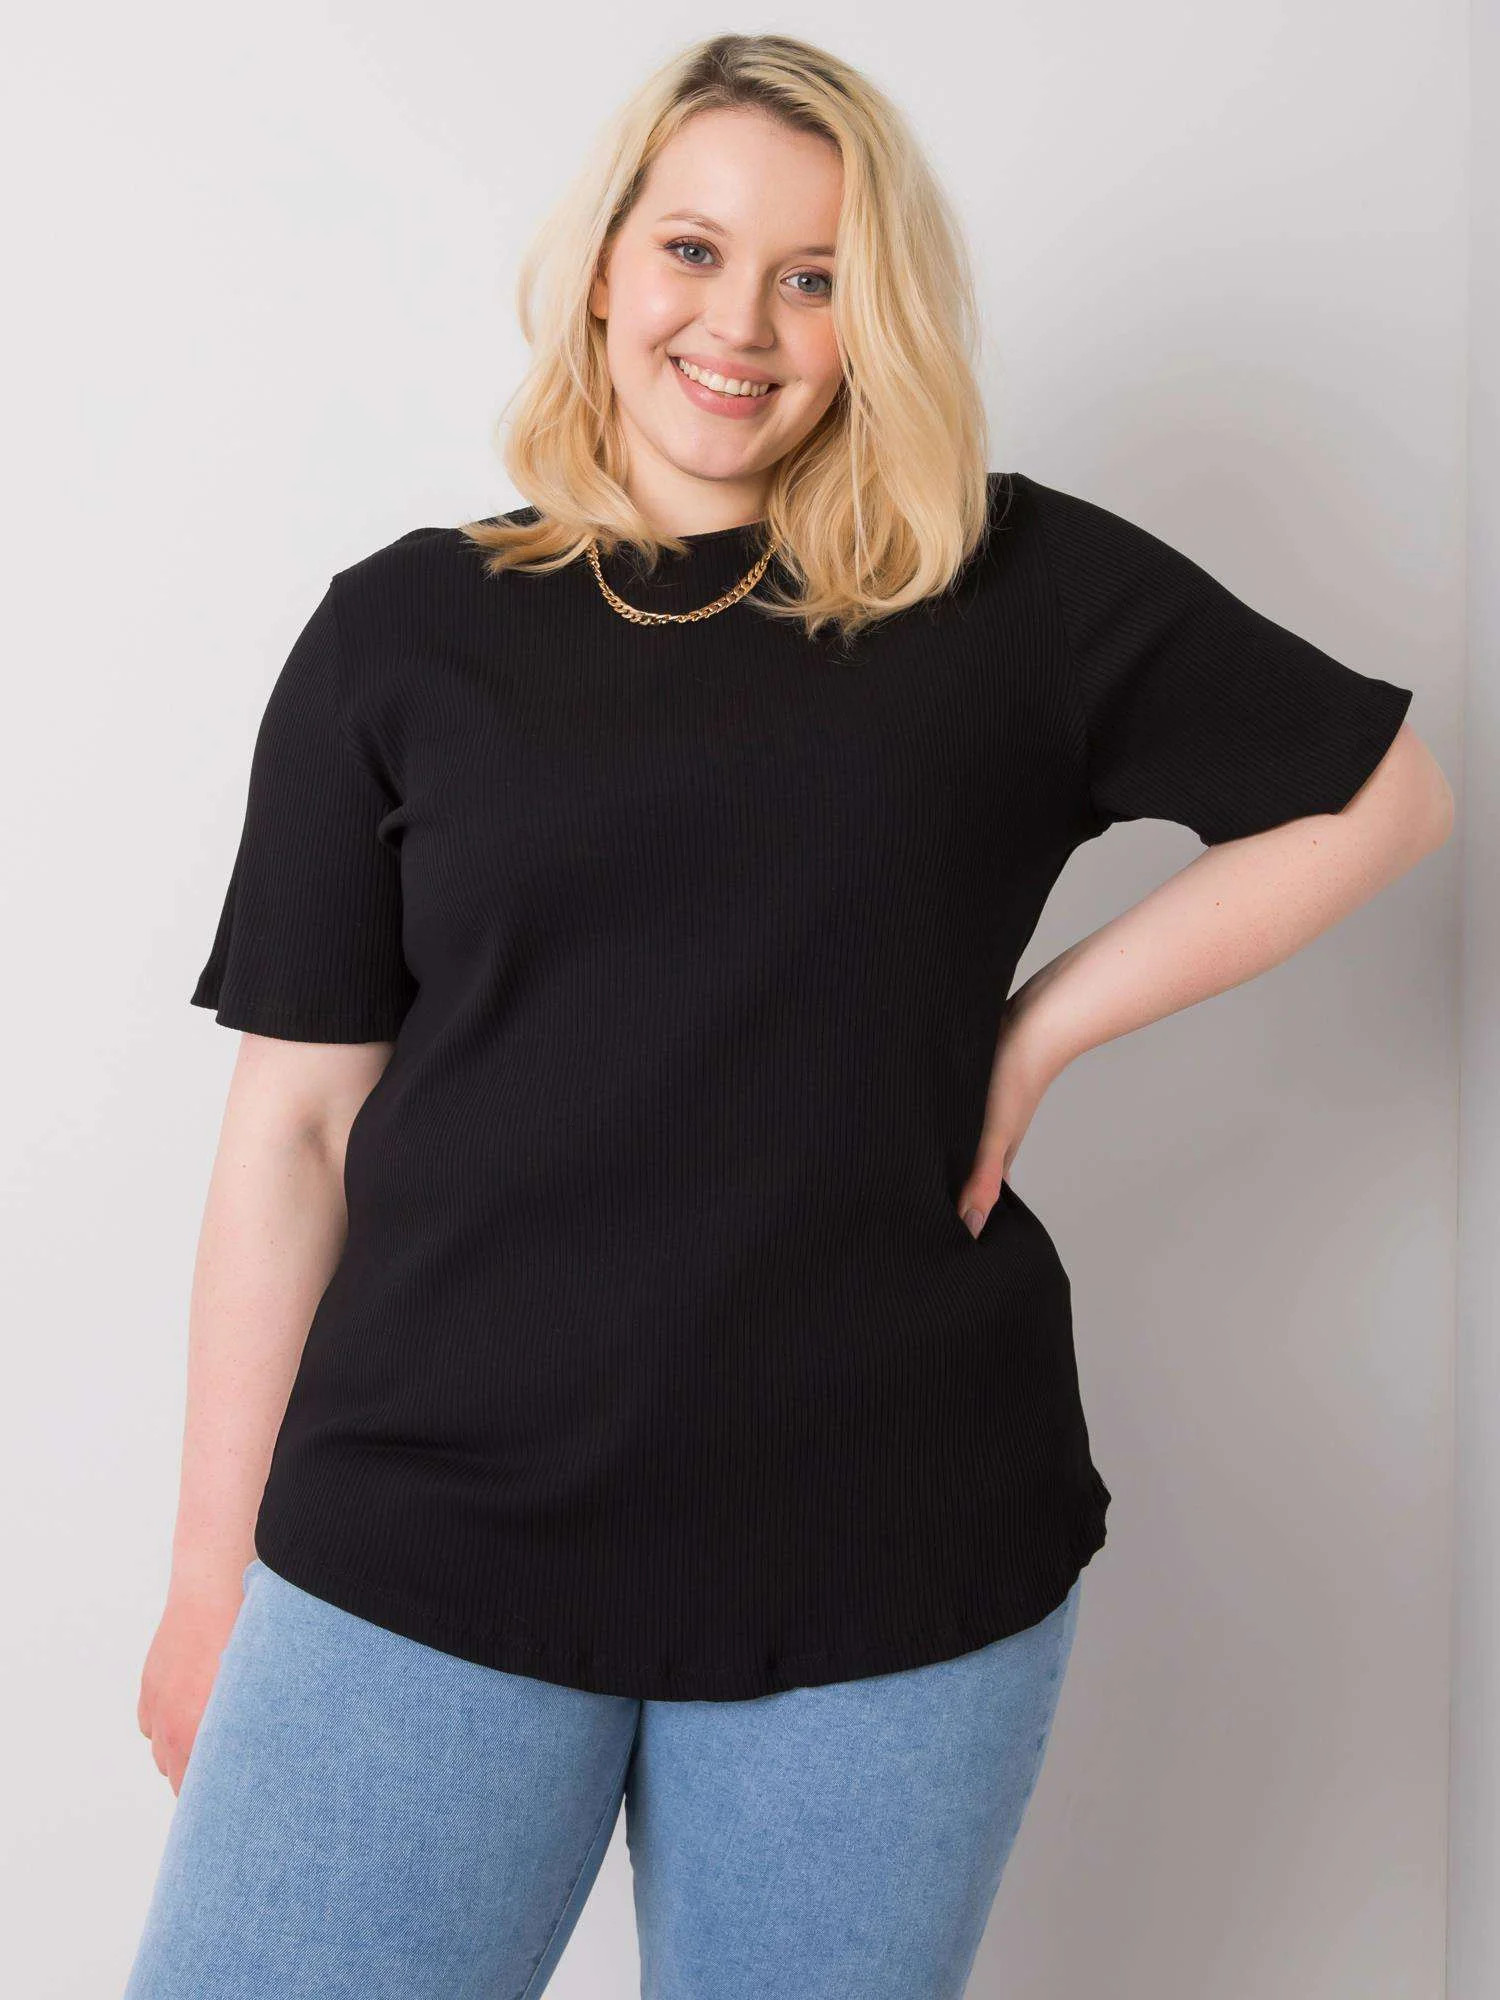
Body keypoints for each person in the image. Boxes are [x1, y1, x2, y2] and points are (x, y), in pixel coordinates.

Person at [123, 30, 1452, 2000]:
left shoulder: (1011, 589)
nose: (738, 323)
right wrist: (209, 1576)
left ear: (872, 317)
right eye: (692, 249)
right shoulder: (404, 632)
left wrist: (1040, 1028)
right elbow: (295, 1130)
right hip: (427, 1530)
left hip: (888, 1554)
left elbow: (1382, 796)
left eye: (813, 276)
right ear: (604, 265)